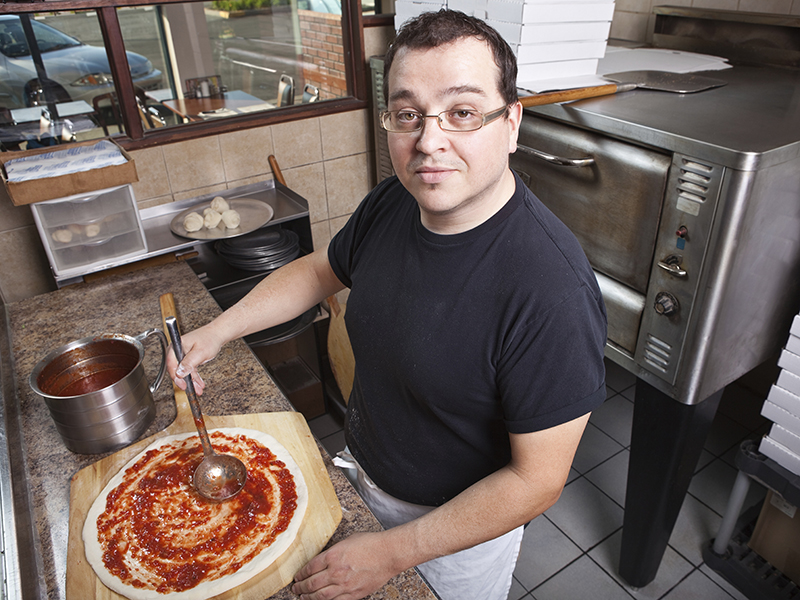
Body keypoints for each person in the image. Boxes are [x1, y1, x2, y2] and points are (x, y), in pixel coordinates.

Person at [166, 9, 607, 600]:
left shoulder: (551, 290)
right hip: (364, 474)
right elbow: (322, 270)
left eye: (463, 112)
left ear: (512, 123)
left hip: (453, 537)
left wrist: (392, 551)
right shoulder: (393, 204)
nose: (429, 142)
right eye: (408, 115)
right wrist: (221, 329)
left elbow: (536, 481)